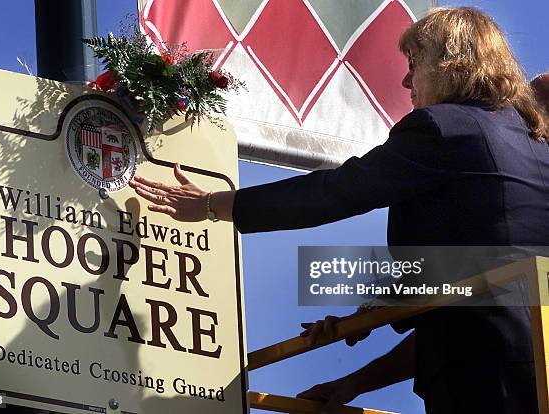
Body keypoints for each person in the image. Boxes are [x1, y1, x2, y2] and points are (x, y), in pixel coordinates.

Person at [129, 7, 549, 414]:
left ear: (447, 62)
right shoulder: (536, 147)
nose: (406, 79)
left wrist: (214, 204)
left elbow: (339, 191)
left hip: (489, 378)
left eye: (414, 61)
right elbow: (478, 293)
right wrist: (360, 352)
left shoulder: (444, 128)